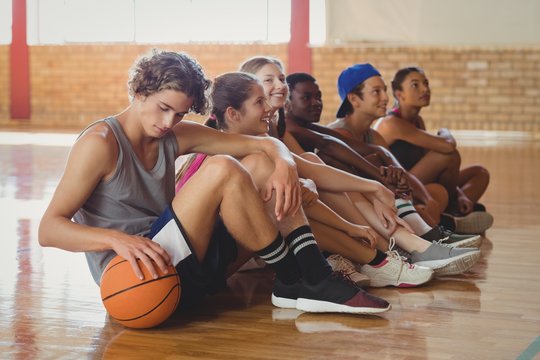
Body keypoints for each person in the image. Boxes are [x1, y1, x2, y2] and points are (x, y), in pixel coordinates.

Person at [38, 49, 391, 315]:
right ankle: (302, 278)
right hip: (133, 278)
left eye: (178, 113)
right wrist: (115, 240)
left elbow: (264, 145)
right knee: (222, 167)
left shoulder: (173, 134)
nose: (168, 122)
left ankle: (303, 278)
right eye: (162, 108)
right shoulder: (100, 144)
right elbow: (49, 229)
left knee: (259, 163)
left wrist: (283, 162)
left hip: (182, 257)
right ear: (138, 91)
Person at [179, 71, 438, 288]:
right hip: (211, 261)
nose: (269, 107)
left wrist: (375, 187)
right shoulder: (225, 154)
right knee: (289, 189)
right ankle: (376, 259)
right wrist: (349, 225)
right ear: (233, 114)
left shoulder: (252, 145)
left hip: (244, 245)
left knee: (299, 180)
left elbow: (313, 170)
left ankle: (378, 260)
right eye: (260, 102)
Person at [238, 56, 481, 277]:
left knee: (331, 172)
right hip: (265, 226)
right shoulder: (279, 126)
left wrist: (378, 183)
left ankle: (399, 248)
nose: (281, 86)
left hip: (302, 209)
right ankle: (398, 247)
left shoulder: (275, 123)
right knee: (328, 172)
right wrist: (380, 185)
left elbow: (323, 154)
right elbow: (328, 148)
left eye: (282, 79)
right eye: (269, 80)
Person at [284, 71, 481, 248]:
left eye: (319, 96)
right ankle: (421, 234)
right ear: (353, 99)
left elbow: (379, 152)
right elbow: (331, 147)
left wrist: (394, 178)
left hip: (375, 195)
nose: (386, 98)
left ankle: (430, 227)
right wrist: (381, 178)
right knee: (345, 162)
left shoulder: (313, 128)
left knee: (457, 182)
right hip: (332, 200)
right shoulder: (298, 129)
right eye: (376, 92)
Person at [373, 66, 493, 234]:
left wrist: (460, 194)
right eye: (415, 85)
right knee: (447, 159)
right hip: (399, 188)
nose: (425, 89)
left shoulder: (418, 121)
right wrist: (444, 131)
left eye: (426, 83)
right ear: (399, 94)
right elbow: (447, 146)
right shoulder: (391, 123)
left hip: (418, 184)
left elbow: (428, 159)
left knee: (479, 173)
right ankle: (451, 216)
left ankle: (452, 212)